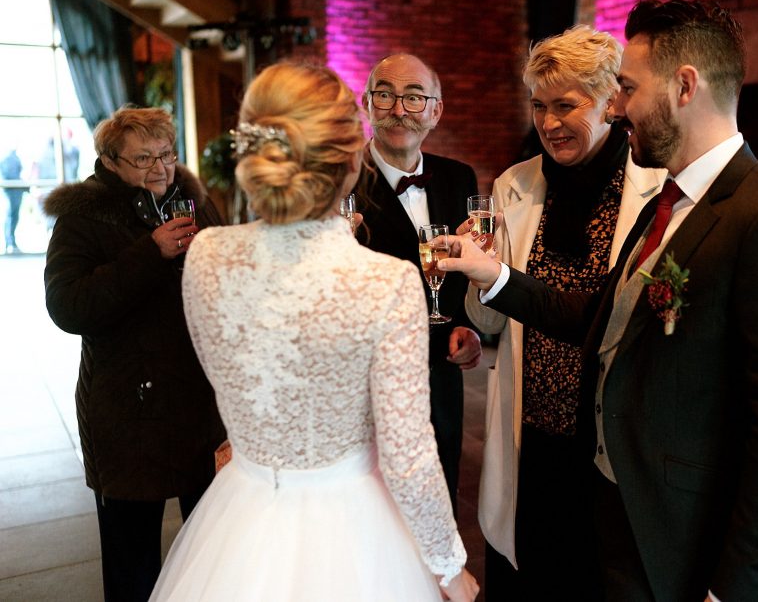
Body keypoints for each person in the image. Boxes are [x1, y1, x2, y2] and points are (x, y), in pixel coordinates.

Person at [442, 0, 758, 601]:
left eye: (627, 88)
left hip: (676, 530)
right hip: (617, 510)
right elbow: (598, 320)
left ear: (684, 87)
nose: (619, 106)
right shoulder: (668, 205)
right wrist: (492, 277)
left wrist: (741, 586)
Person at [149, 62, 479, 602]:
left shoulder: (207, 254)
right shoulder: (387, 281)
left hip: (240, 514)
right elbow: (409, 456)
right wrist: (448, 567)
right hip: (353, 525)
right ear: (353, 160)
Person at [462, 25, 666, 601]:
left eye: (566, 105)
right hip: (531, 427)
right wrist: (479, 278)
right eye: (539, 106)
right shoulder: (513, 185)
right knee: (530, 570)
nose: (549, 124)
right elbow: (491, 324)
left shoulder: (655, 189)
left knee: (600, 575)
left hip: (607, 436)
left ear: (612, 103)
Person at [43, 105, 226, 602]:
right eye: (143, 159)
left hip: (199, 404)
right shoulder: (83, 217)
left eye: (166, 154)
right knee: (132, 559)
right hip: (127, 410)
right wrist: (149, 253)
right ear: (110, 162)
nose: (160, 168)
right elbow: (67, 306)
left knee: (212, 546)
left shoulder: (195, 199)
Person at [354, 53, 482, 511]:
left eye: (414, 97)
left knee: (438, 498)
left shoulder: (458, 177)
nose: (399, 109)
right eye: (385, 94)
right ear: (367, 104)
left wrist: (467, 327)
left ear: (435, 111)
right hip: (365, 389)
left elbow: (468, 268)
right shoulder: (340, 183)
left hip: (440, 382)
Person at [1, 148, 25, 253]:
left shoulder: (13, 157)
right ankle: (10, 242)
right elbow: (10, 175)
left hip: (14, 190)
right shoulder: (9, 158)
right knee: (11, 216)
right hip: (12, 191)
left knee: (13, 216)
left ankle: (10, 242)